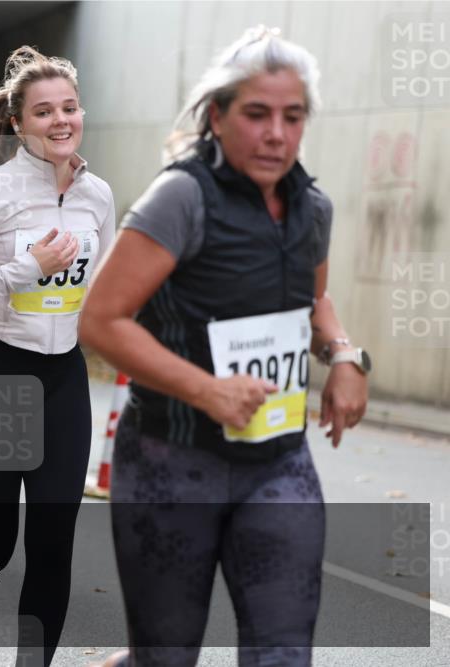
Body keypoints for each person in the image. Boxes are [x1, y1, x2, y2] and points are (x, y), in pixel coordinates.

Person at [79, 27, 369, 667]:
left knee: (284, 655)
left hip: (278, 461)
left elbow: (315, 301)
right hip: (171, 463)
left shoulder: (312, 207)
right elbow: (101, 320)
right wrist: (206, 389)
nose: (276, 134)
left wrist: (345, 357)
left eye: (293, 118)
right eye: (257, 114)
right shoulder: (182, 197)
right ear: (218, 115)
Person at [0, 46, 115, 666]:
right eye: (43, 112)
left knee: (54, 543)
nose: (61, 121)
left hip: (62, 378)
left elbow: (106, 291)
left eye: (69, 107)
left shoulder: (99, 196)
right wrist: (22, 270)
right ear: (18, 122)